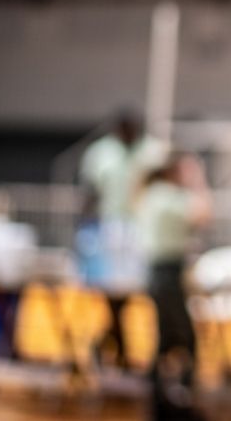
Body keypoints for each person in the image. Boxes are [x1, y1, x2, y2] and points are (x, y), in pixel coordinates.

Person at [77, 109, 166, 370]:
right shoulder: (101, 153)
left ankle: (116, 343)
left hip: (141, 228)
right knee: (111, 290)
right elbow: (90, 193)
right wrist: (85, 232)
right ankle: (116, 342)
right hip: (110, 227)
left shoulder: (151, 152)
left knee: (140, 290)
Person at [136, 152, 213, 420]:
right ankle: (175, 403)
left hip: (163, 272)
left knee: (166, 338)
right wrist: (198, 181)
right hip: (166, 272)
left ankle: (162, 404)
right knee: (184, 339)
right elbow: (203, 214)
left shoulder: (154, 194)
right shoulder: (166, 195)